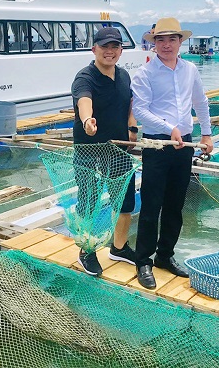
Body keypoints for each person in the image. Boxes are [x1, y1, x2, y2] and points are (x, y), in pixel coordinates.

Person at [131, 17, 214, 289]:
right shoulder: (145, 73)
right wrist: (169, 129)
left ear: (181, 42)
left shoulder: (190, 70)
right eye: (160, 40)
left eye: (172, 39)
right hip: (157, 144)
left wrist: (207, 134)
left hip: (185, 145)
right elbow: (141, 110)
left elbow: (200, 102)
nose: (166, 45)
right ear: (153, 43)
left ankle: (165, 256)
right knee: (151, 204)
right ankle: (143, 260)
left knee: (175, 205)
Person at [71, 27, 139, 276]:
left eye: (115, 47)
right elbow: (83, 102)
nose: (109, 51)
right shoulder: (84, 77)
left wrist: (132, 126)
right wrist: (88, 121)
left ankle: (119, 248)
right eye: (104, 47)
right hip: (89, 148)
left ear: (121, 51)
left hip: (118, 148)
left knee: (126, 200)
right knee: (88, 200)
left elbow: (129, 103)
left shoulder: (123, 76)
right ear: (94, 49)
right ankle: (86, 251)